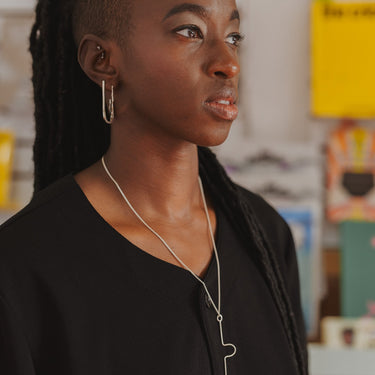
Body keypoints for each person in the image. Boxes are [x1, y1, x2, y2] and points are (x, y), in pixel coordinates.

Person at [0, 0, 308, 374]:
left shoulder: (266, 235)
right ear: (103, 61)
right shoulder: (21, 267)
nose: (229, 64)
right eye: (190, 31)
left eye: (233, 36)